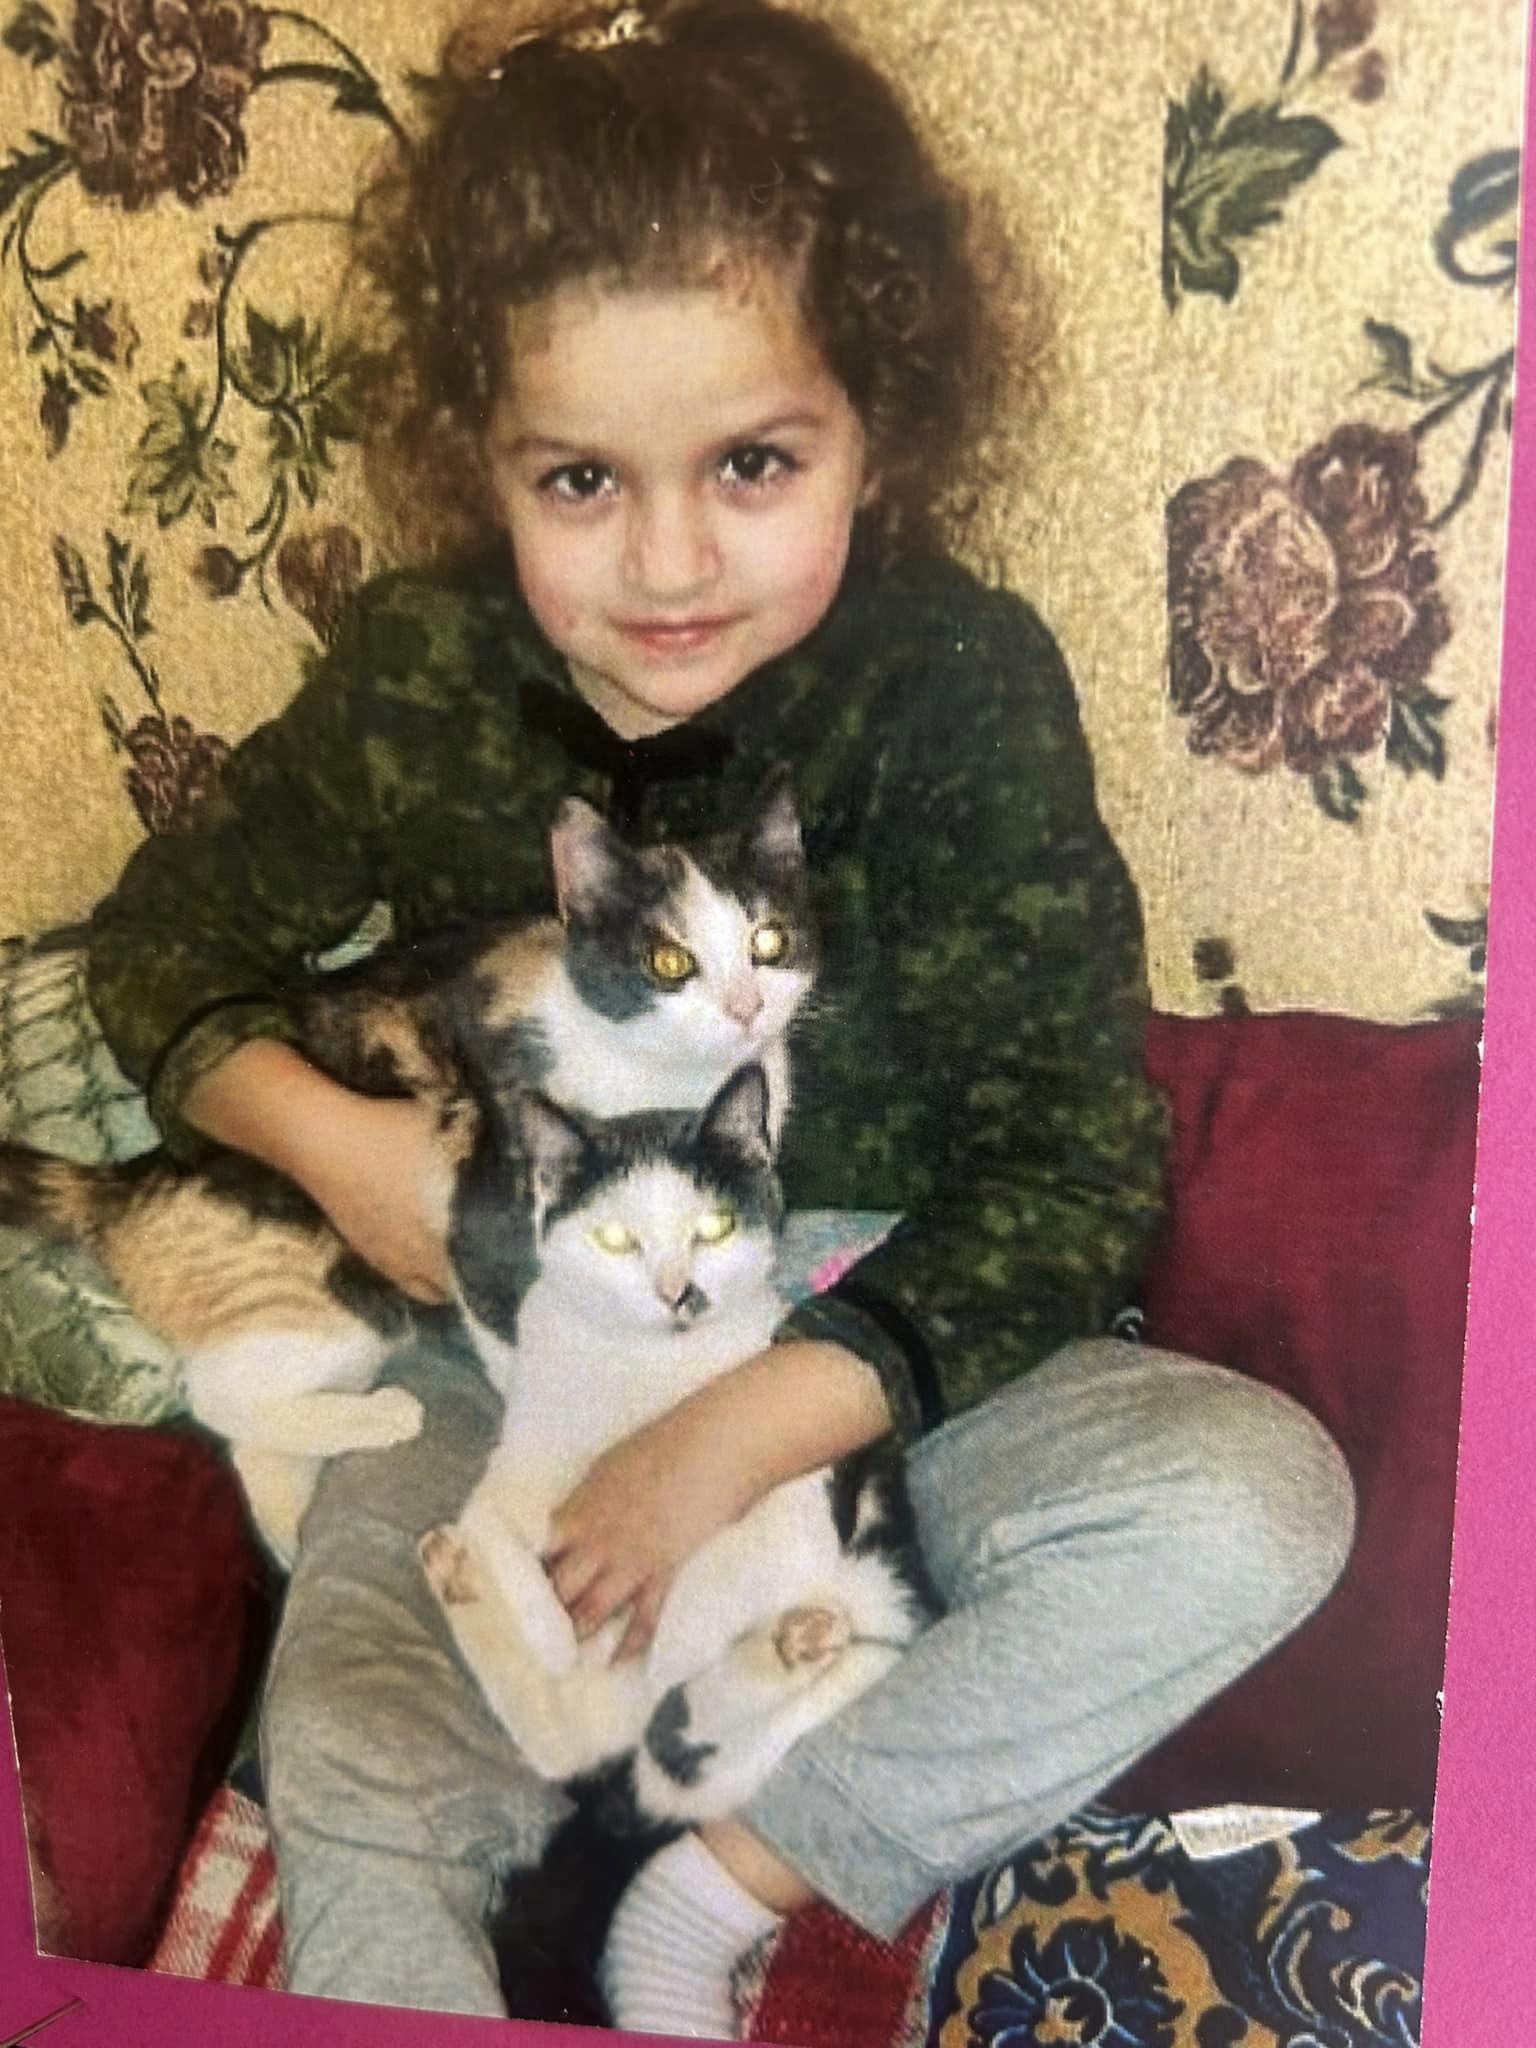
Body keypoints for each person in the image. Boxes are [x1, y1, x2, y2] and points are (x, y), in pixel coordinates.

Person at [85, 0, 1356, 2033]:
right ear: (483, 457)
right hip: (515, 1359)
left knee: (1257, 1501)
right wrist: (348, 1155)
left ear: (880, 429)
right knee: (344, 1725)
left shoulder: (955, 682)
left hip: (874, 1360)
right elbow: (162, 945)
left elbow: (1075, 1161)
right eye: (581, 477)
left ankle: (729, 1881)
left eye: (753, 462)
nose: (667, 560)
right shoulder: (422, 669)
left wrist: (744, 1430)